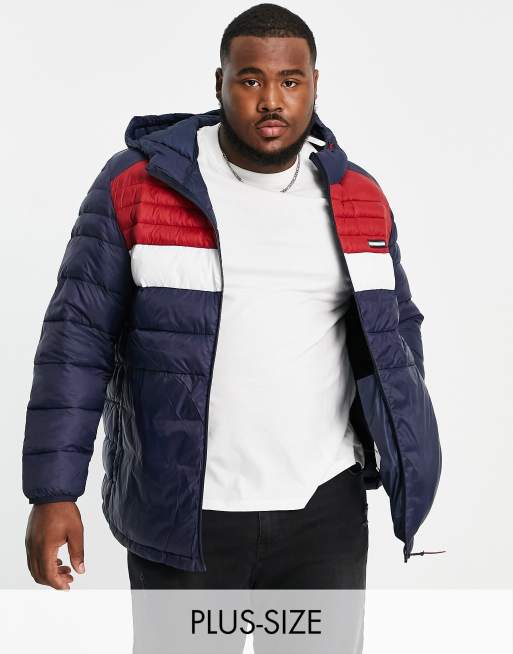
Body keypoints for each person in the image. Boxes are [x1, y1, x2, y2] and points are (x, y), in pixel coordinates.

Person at [23, 2, 442, 601]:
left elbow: (396, 326)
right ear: (219, 82)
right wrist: (54, 492)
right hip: (183, 514)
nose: (271, 100)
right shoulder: (139, 185)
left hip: (325, 511)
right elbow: (76, 340)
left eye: (290, 81)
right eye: (250, 80)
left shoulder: (359, 196)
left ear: (314, 85)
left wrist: (404, 442)